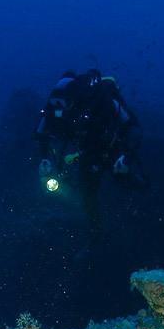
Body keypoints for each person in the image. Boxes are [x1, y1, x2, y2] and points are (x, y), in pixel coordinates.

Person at [34, 69, 144, 227]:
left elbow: (133, 128)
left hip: (110, 147)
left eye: (65, 104)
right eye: (57, 105)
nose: (60, 109)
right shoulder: (55, 107)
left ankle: (140, 209)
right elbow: (41, 134)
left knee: (124, 178)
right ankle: (96, 230)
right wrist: (44, 158)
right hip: (86, 153)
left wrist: (126, 156)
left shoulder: (100, 100)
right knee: (87, 192)